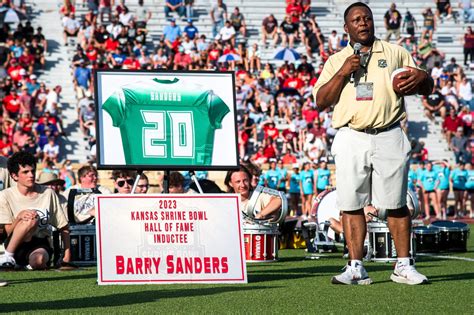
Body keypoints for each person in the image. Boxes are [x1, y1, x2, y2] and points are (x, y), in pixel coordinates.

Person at [313, 2, 433, 285]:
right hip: (351, 134)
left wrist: (424, 77)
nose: (363, 23)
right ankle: (356, 267)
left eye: (367, 18)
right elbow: (321, 101)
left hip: (389, 132)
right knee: (351, 204)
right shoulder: (335, 60)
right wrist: (343, 72)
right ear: (346, 28)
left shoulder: (395, 52)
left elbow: (426, 88)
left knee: (396, 203)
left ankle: (403, 265)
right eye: (356, 20)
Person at [0, 152, 71, 270]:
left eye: (33, 171)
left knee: (39, 261)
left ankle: (20, 264)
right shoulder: (5, 195)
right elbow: (6, 231)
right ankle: (9, 256)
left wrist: (67, 256)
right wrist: (19, 217)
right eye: (25, 172)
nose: (31, 175)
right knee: (30, 219)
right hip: (14, 243)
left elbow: (63, 226)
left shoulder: (48, 193)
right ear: (14, 176)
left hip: (39, 242)